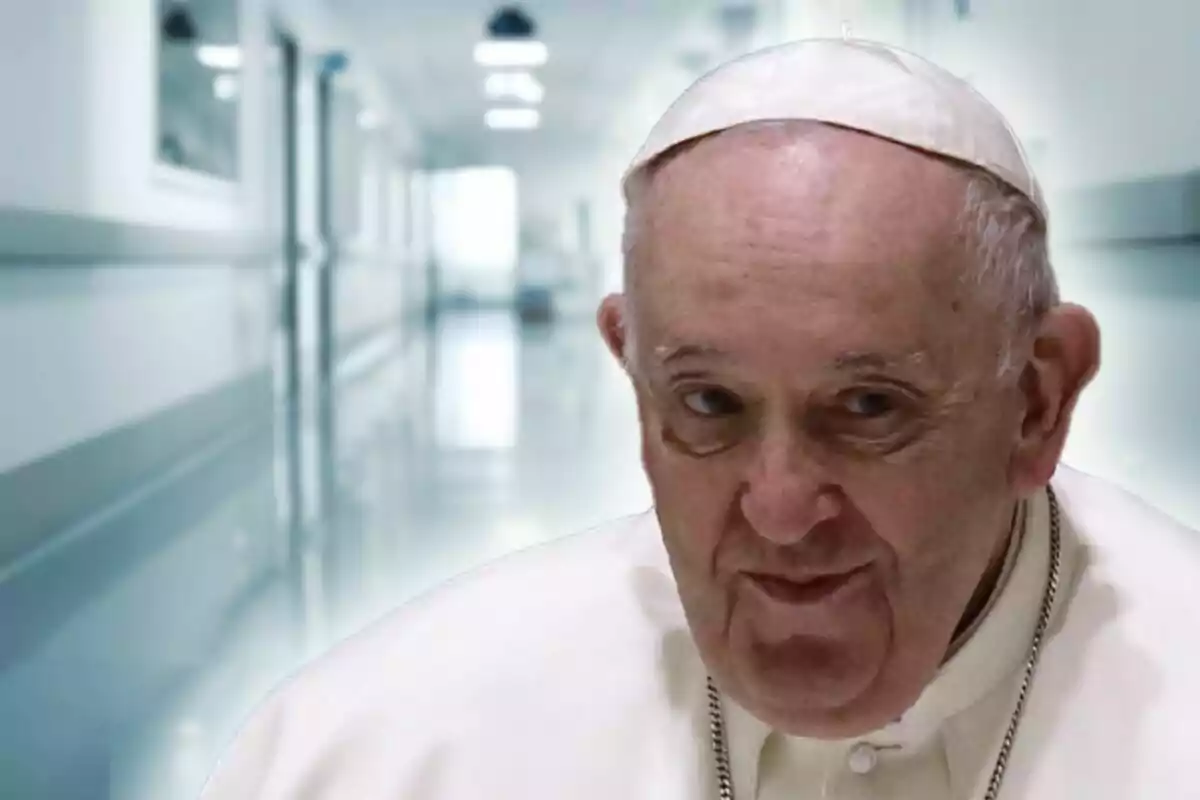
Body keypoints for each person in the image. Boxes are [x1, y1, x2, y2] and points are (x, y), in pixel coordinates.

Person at [202, 38, 1200, 799]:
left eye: (866, 406)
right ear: (634, 380)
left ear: (1036, 402)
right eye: (710, 403)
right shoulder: (367, 751)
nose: (779, 509)